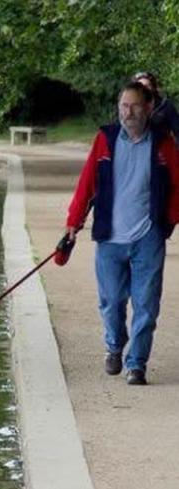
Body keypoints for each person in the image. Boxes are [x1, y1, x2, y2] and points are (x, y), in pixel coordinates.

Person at [65, 81, 179, 385]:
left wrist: (167, 222)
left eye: (135, 106)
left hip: (147, 237)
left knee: (146, 304)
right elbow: (87, 184)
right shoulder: (105, 139)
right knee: (112, 302)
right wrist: (72, 224)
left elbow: (177, 188)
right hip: (110, 237)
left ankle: (136, 364)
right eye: (123, 106)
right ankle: (115, 345)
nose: (128, 112)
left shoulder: (163, 143)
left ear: (149, 107)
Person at [133, 71, 179, 145]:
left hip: (162, 149)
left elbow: (177, 130)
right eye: (140, 86)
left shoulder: (165, 105)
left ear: (153, 88)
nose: (144, 89)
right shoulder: (131, 107)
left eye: (147, 86)